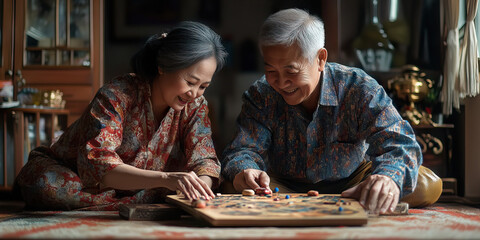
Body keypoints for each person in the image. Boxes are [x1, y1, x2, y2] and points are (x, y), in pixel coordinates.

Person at [221, 8, 442, 214]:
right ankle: (344, 203)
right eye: (271, 70)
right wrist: (247, 171)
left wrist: (387, 179)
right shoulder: (261, 94)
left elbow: (399, 141)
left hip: (353, 180)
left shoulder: (359, 88)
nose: (280, 82)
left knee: (427, 185)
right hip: (282, 185)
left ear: (320, 59)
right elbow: (242, 150)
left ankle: (360, 196)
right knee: (234, 183)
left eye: (291, 71)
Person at [15, 21, 227, 210]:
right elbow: (101, 165)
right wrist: (165, 179)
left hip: (145, 185)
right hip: (75, 175)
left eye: (203, 86)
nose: (194, 93)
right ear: (163, 66)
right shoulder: (118, 94)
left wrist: (201, 188)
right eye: (190, 82)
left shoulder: (196, 105)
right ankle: (137, 199)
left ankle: (134, 198)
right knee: (49, 185)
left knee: (175, 187)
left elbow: (204, 159)